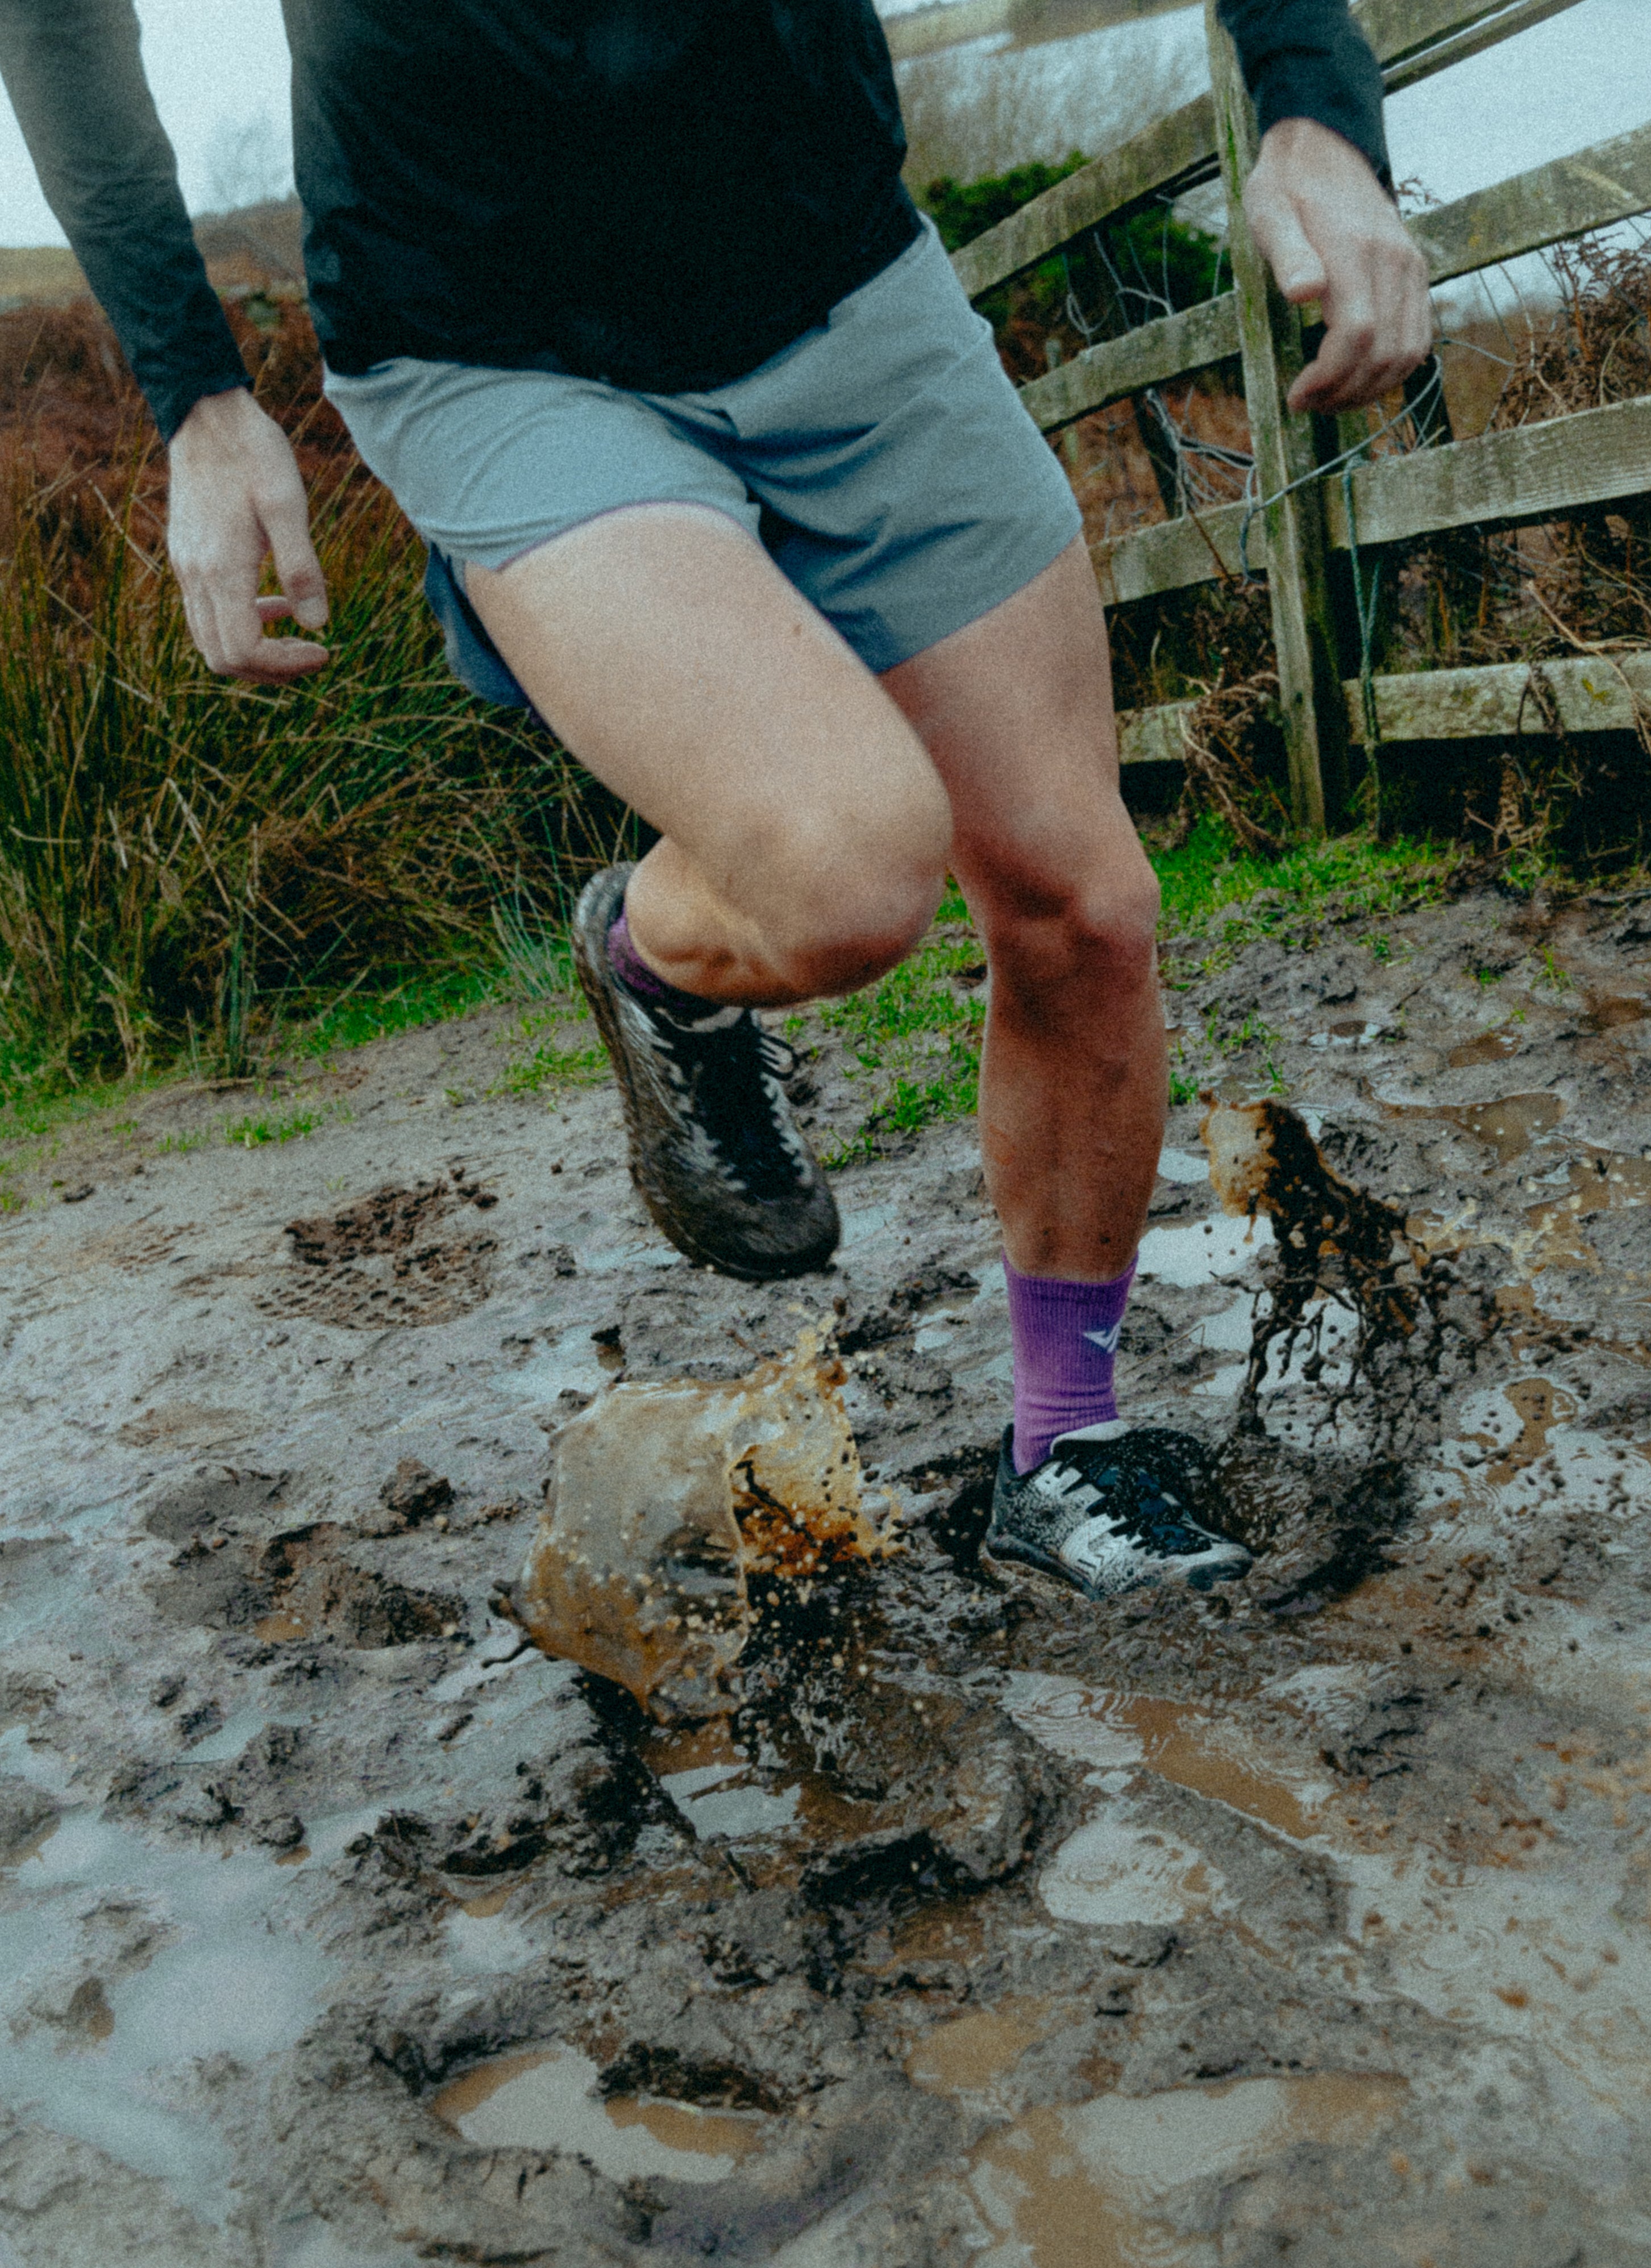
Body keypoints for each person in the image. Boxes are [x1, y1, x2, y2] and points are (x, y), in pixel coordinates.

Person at [0, 0, 1430, 1602]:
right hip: (489, 344)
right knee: (842, 871)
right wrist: (199, 398)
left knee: (1085, 905)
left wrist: (1313, 97)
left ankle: (1067, 1446)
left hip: (840, 282)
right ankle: (652, 952)